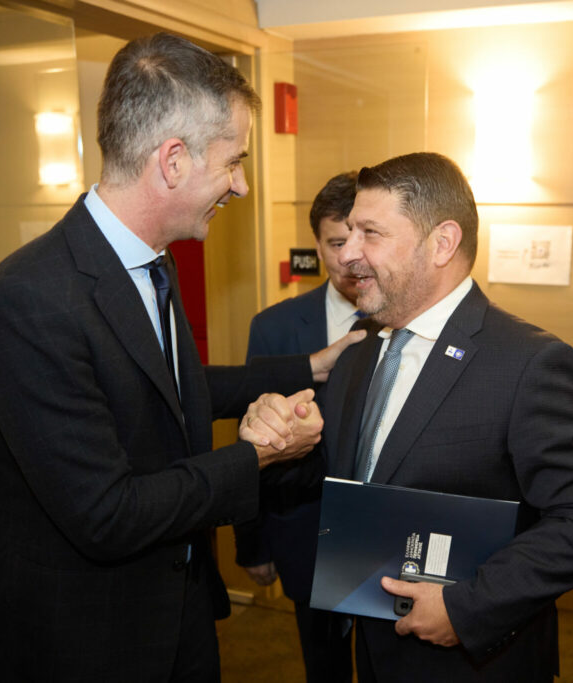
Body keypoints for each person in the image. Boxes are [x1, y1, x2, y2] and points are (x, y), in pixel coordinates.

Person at [0, 33, 359, 682]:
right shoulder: (30, 298)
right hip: (86, 640)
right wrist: (260, 455)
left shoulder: (153, 262)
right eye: (233, 161)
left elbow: (169, 386)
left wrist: (310, 366)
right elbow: (107, 514)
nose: (241, 185)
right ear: (173, 160)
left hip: (177, 611)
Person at [249, 151, 573, 681]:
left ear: (442, 243)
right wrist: (277, 443)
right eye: (348, 233)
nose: (348, 254)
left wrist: (465, 608)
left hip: (473, 663)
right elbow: (339, 475)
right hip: (373, 648)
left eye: (370, 234)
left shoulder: (529, 362)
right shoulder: (360, 347)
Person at [233, 172, 361, 683]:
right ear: (317, 244)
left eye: (362, 238)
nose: (350, 256)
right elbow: (250, 439)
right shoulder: (274, 327)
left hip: (391, 535)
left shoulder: (410, 321)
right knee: (324, 666)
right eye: (336, 243)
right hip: (305, 536)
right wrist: (253, 544)